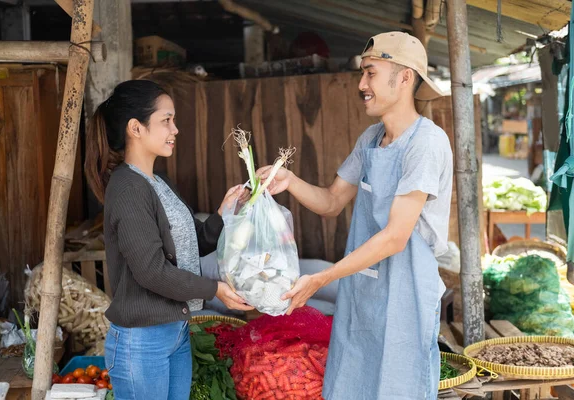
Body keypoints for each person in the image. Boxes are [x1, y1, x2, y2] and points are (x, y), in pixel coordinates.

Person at [258, 31, 453, 399]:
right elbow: (332, 201)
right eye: (362, 74)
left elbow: (397, 236)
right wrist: (290, 180)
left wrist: (322, 278)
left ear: (405, 77)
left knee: (398, 386)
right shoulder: (370, 138)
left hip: (406, 290)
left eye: (371, 73)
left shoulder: (426, 143)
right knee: (351, 379)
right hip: (362, 287)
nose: (361, 84)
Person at [84, 80, 253, 400]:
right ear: (136, 128)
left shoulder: (158, 183)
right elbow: (151, 271)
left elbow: (193, 244)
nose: (174, 129)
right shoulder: (127, 189)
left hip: (173, 332)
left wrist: (223, 214)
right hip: (141, 342)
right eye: (166, 120)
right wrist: (215, 290)